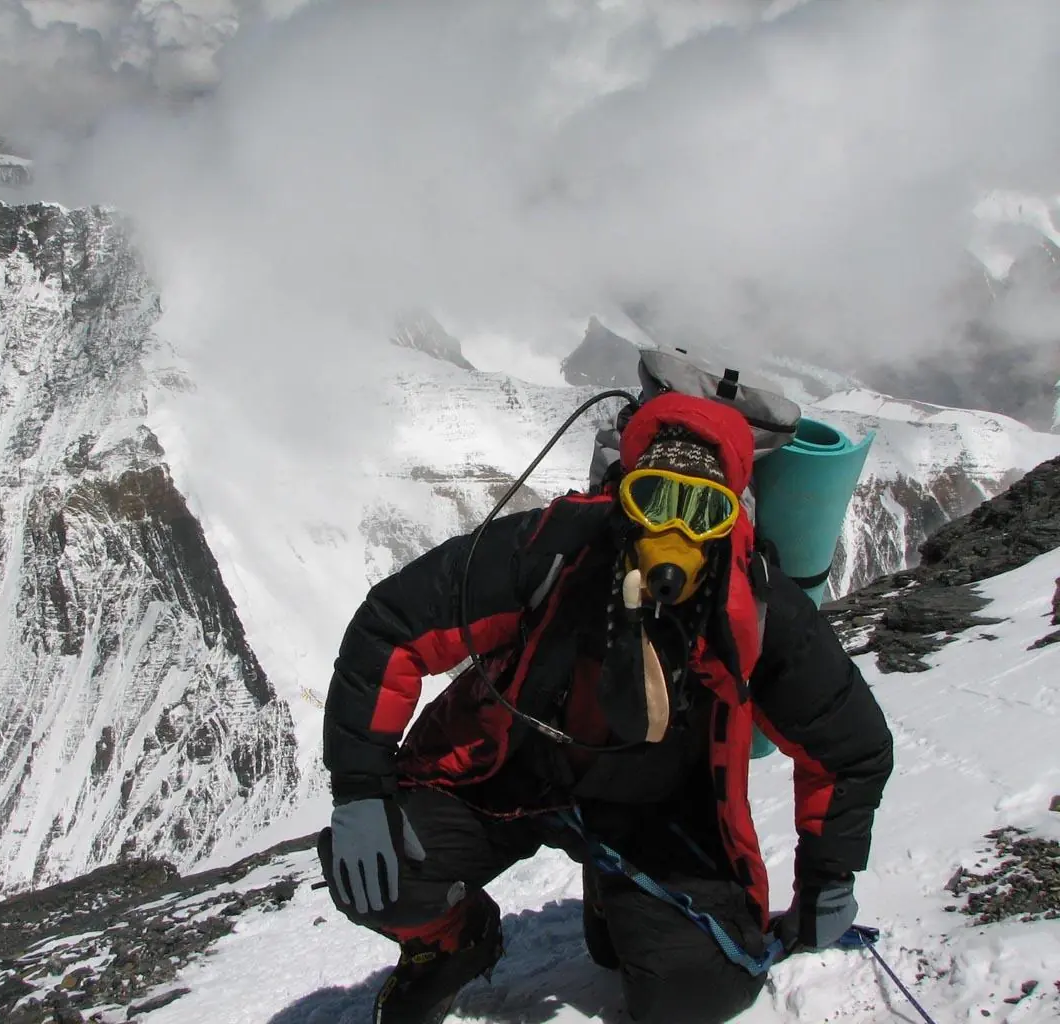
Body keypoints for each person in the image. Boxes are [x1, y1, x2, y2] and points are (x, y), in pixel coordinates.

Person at [317, 392, 894, 1024]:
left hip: (656, 819)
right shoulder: (556, 549)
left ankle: (615, 898)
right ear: (623, 498)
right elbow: (393, 626)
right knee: (377, 870)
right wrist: (361, 791)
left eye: (703, 510)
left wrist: (827, 880)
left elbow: (850, 744)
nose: (674, 533)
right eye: (654, 499)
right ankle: (454, 944)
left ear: (728, 520)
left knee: (695, 994)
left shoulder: (754, 607)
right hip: (512, 775)